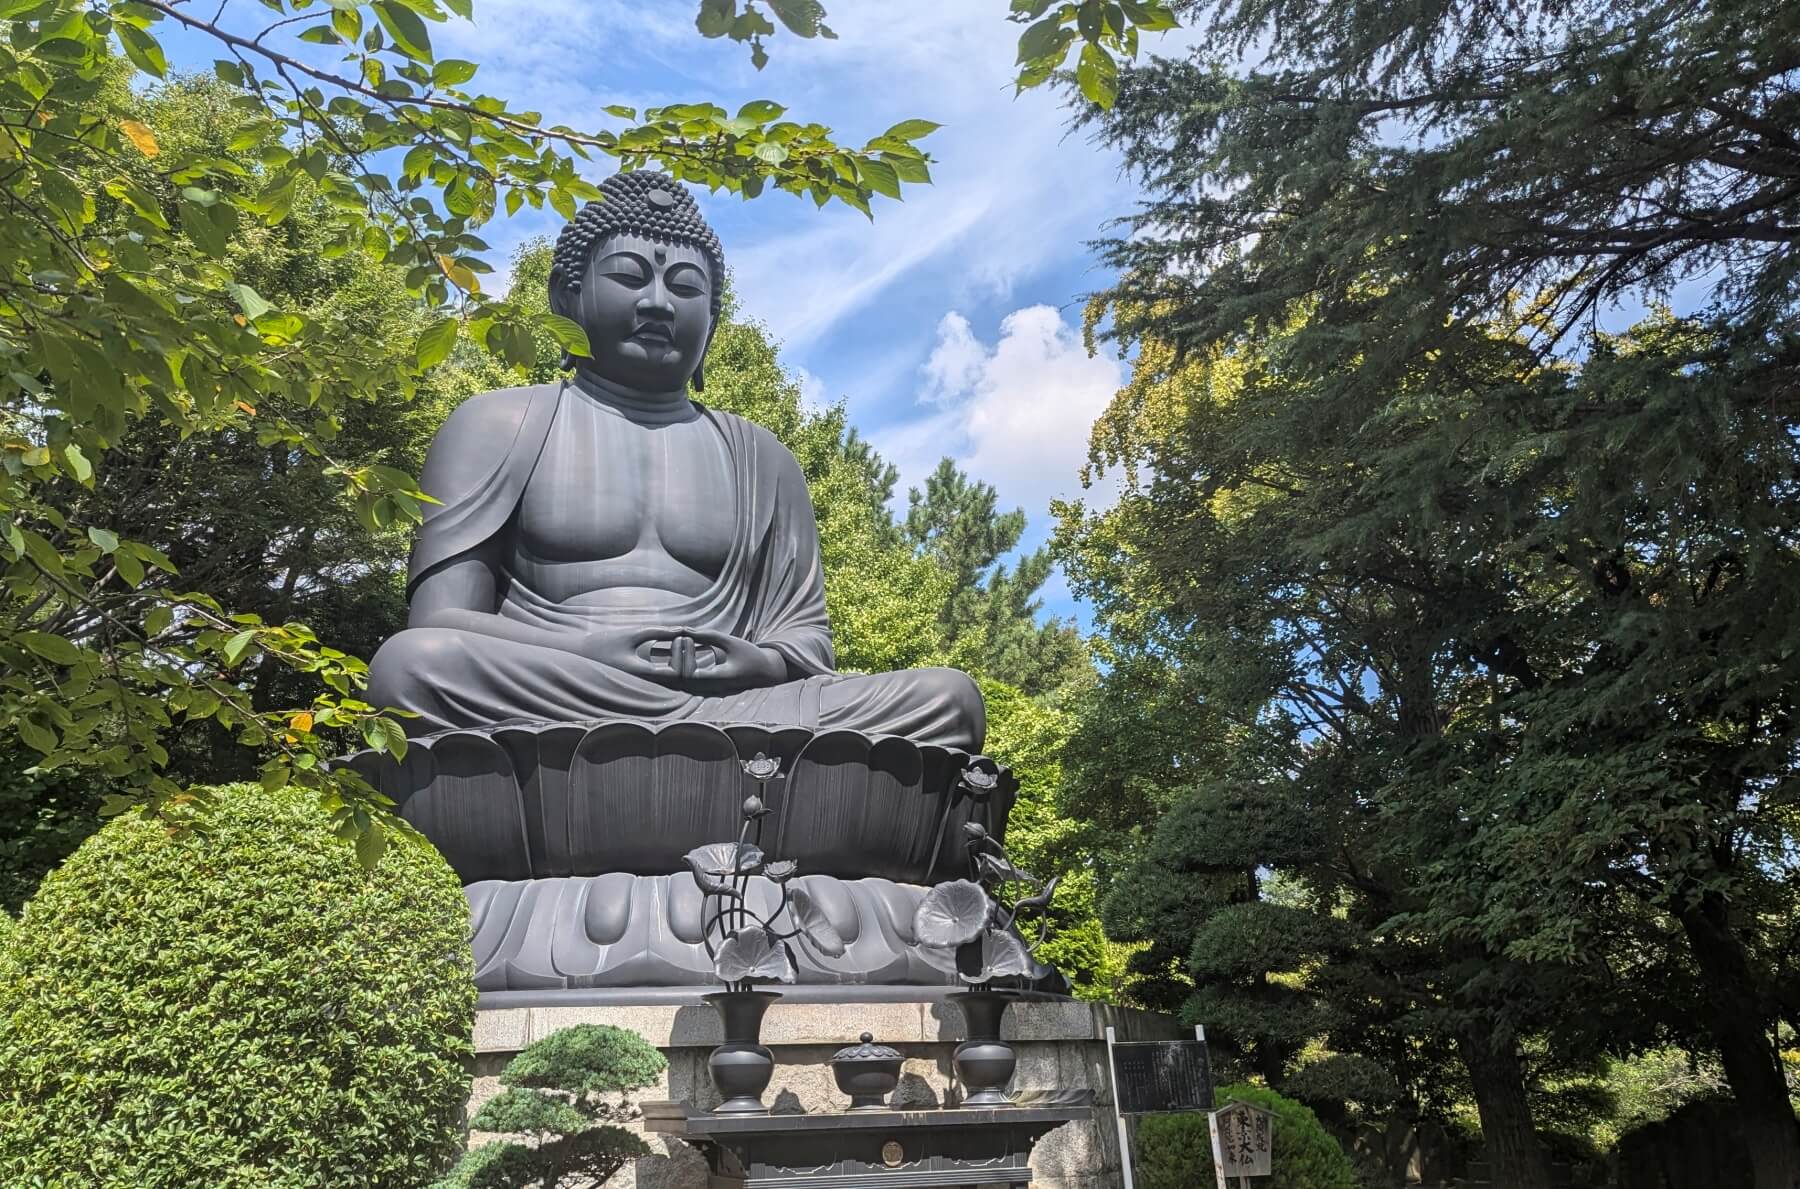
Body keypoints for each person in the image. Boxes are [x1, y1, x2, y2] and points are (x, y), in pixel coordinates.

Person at [368, 171, 984, 749]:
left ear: (711, 323)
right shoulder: (501, 423)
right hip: (561, 685)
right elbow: (440, 619)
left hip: (740, 706)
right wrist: (591, 649)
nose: (660, 303)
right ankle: (720, 763)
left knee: (946, 699)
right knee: (413, 667)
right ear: (568, 298)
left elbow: (805, 643)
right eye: (631, 277)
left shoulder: (761, 457)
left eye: (686, 287)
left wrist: (760, 661)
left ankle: (680, 749)